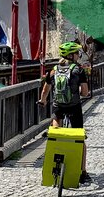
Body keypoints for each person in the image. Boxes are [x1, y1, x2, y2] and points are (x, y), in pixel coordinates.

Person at [38, 41, 92, 183]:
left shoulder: (53, 70)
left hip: (58, 106)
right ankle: (83, 172)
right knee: (80, 138)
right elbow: (85, 92)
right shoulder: (78, 70)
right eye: (77, 53)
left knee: (55, 130)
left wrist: (43, 101)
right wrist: (80, 92)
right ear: (72, 55)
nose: (78, 55)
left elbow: (45, 90)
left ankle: (53, 160)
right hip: (74, 107)